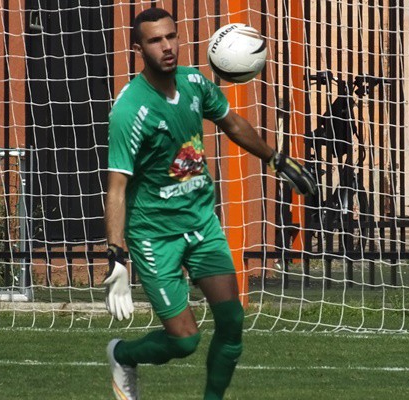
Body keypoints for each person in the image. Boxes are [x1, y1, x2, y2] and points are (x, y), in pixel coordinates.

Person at [103, 7, 316, 400]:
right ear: (138, 49)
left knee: (232, 323)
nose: (167, 46)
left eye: (171, 36)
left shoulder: (194, 83)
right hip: (155, 236)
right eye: (155, 40)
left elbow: (232, 122)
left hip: (202, 223)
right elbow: (116, 187)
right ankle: (123, 355)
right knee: (184, 341)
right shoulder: (130, 110)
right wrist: (116, 254)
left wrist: (276, 159)